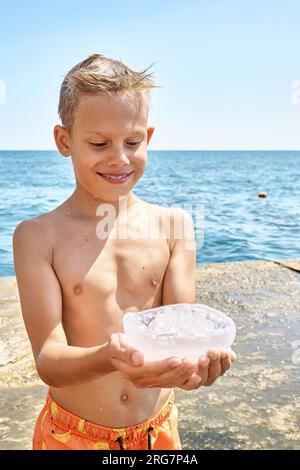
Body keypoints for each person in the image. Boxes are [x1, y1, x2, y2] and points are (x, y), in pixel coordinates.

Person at [13, 54, 236, 450]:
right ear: (64, 141)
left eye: (133, 142)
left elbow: (183, 335)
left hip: (158, 432)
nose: (119, 157)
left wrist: (194, 368)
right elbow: (48, 360)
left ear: (148, 137)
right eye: (99, 143)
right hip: (71, 435)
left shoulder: (174, 227)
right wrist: (107, 357)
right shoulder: (37, 237)